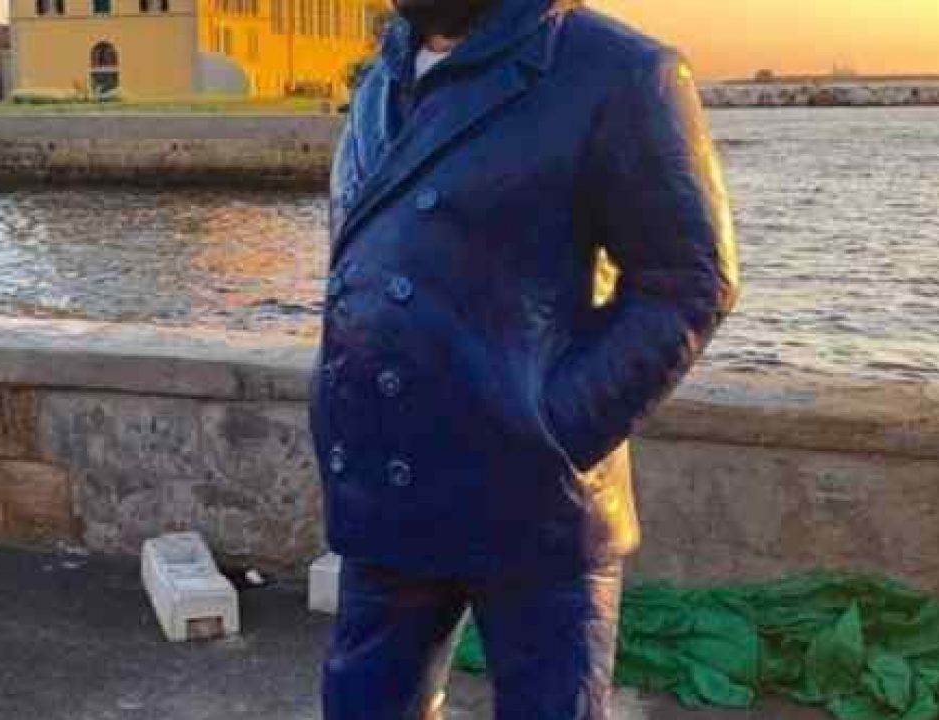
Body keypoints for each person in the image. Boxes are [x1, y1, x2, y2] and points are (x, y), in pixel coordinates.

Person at [311, 0, 741, 717]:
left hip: (535, 507)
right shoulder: (382, 78)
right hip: (385, 489)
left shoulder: (620, 72)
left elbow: (688, 282)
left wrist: (552, 431)